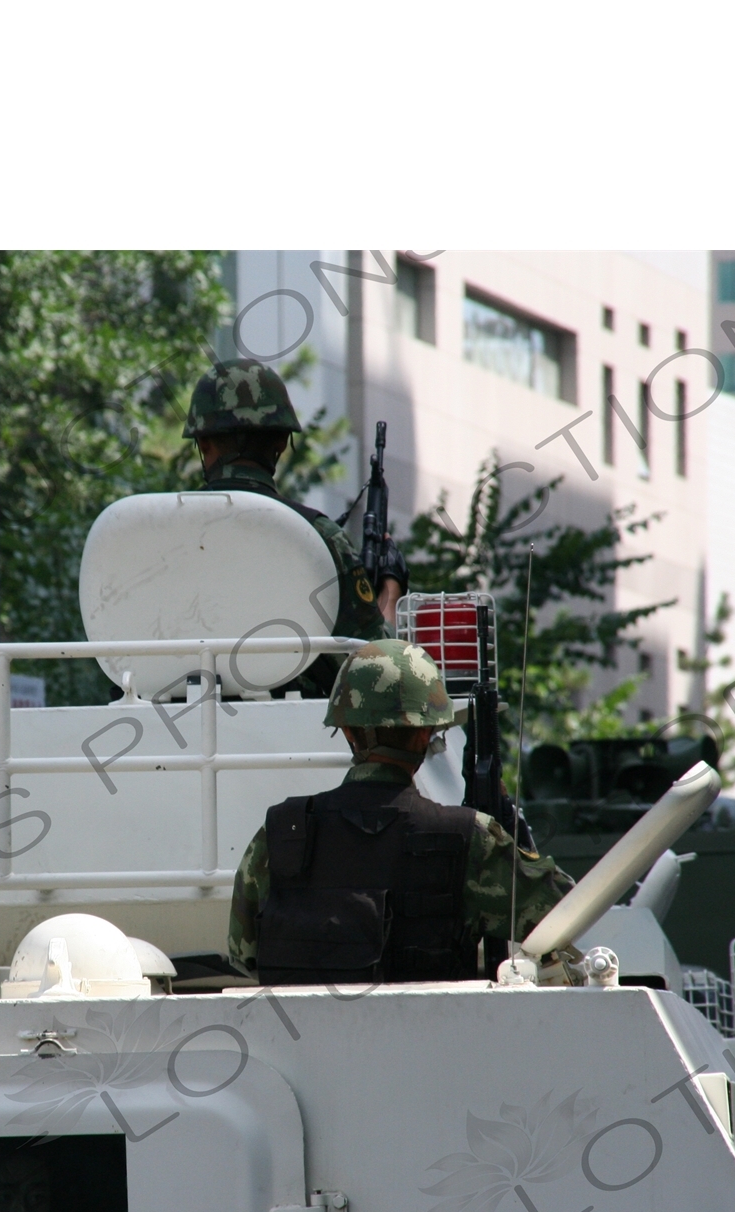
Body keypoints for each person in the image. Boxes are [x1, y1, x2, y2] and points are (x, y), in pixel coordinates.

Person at [227, 639, 573, 984]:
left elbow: (244, 954)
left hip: (300, 1036)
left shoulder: (282, 831)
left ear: (347, 730)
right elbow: (563, 911)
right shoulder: (470, 838)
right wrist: (511, 825)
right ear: (427, 733)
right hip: (426, 1036)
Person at [183, 357, 408, 693]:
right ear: (280, 442)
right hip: (293, 730)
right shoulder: (316, 538)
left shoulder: (149, 532)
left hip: (164, 721)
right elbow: (377, 664)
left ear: (203, 443)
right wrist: (390, 594)